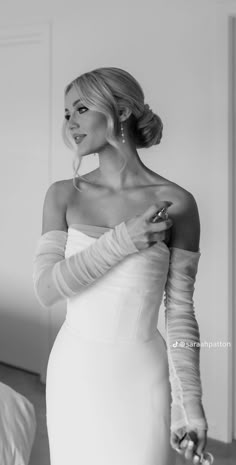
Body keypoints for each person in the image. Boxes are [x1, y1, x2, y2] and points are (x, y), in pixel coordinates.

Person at [33, 67, 210, 465]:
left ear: (123, 110)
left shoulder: (178, 203)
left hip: (141, 376)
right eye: (66, 113)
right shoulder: (62, 195)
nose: (71, 122)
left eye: (81, 108)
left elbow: (180, 311)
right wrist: (122, 242)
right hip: (73, 372)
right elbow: (46, 290)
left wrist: (190, 406)